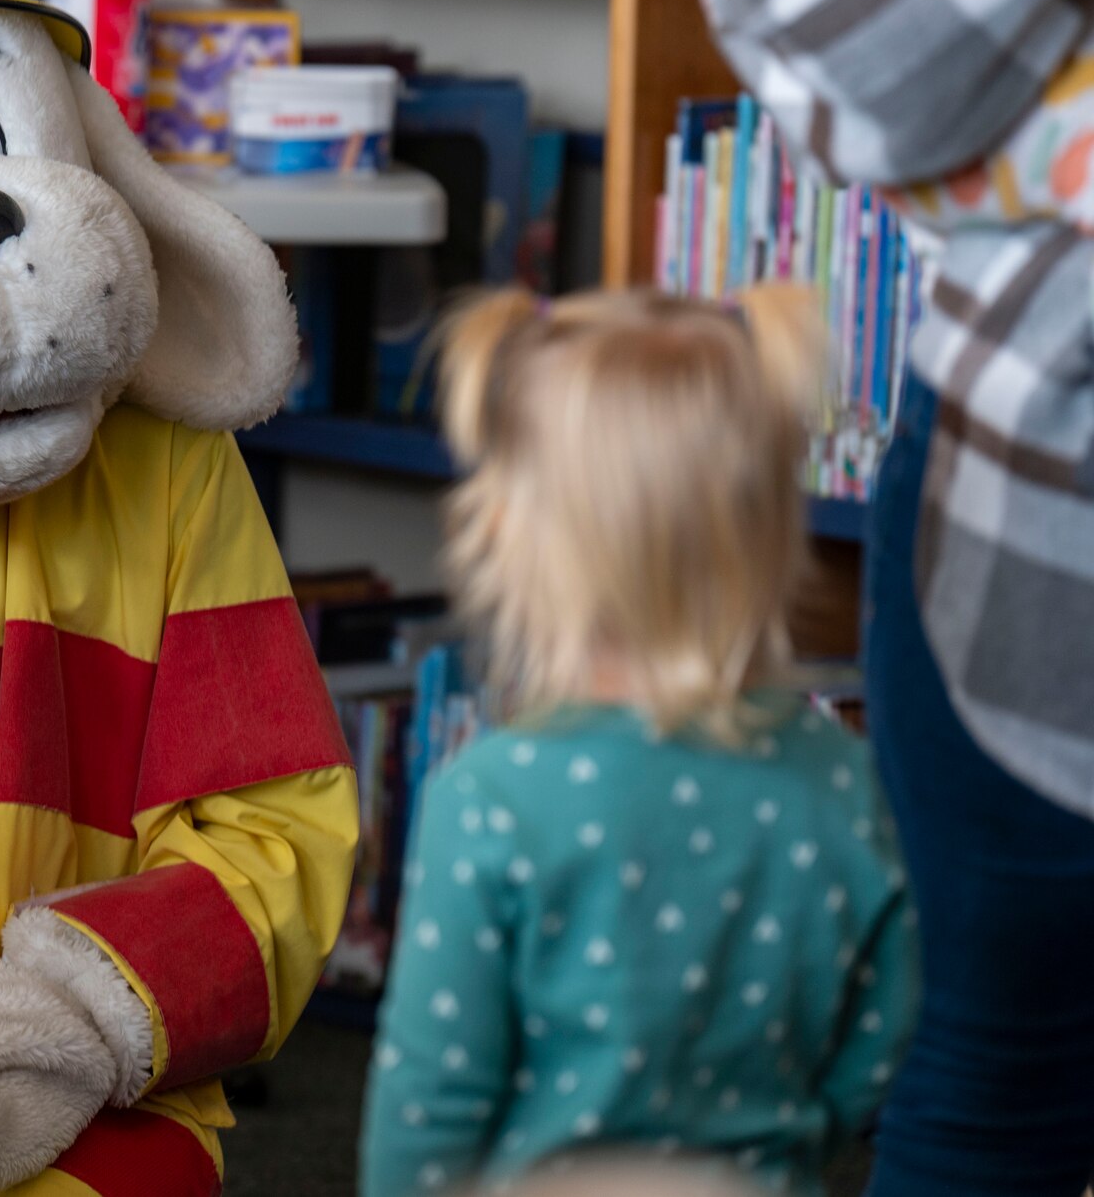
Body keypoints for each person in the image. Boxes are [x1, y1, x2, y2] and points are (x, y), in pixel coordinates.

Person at [359, 287, 918, 1197]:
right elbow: (880, 1038)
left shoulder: (494, 798)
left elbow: (429, 1103)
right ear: (770, 525)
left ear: (511, 533)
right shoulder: (842, 778)